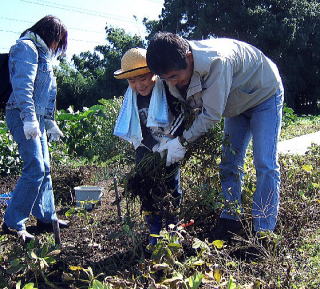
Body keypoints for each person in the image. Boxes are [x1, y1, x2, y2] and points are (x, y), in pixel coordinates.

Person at [146, 32, 284, 241]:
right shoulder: (174, 67)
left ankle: (263, 231)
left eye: (174, 77)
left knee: (264, 163)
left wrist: (182, 142)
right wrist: (169, 136)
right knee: (229, 163)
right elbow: (186, 108)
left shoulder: (218, 61)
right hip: (235, 105)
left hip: (263, 96)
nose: (171, 83)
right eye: (166, 79)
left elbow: (210, 115)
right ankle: (231, 219)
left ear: (188, 57)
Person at [2, 15, 69, 242]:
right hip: (21, 114)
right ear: (50, 34)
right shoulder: (26, 48)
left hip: (37, 118)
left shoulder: (43, 55)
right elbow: (23, 86)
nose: (57, 47)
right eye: (58, 41)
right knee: (35, 168)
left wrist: (49, 122)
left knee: (45, 168)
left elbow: (48, 92)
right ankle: (13, 222)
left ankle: (45, 216)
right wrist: (29, 118)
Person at [113, 48, 185, 245]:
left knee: (171, 186)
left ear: (154, 73)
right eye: (132, 81)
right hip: (144, 148)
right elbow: (131, 122)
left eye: (143, 78)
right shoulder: (132, 96)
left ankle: (172, 229)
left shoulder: (167, 91)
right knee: (146, 187)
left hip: (167, 146)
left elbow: (182, 114)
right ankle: (154, 230)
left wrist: (170, 139)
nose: (138, 85)